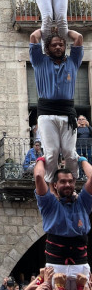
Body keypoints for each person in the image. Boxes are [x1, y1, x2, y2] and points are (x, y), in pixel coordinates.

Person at [32, 27, 86, 179]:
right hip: (46, 114)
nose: (57, 47)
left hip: (67, 113)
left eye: (61, 44)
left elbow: (79, 38)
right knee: (52, 153)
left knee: (70, 152)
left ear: (65, 46)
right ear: (47, 48)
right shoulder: (39, 61)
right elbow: (33, 37)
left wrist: (64, 30)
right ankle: (50, 184)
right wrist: (46, 29)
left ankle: (72, 182)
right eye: (54, 44)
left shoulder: (73, 61)